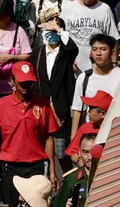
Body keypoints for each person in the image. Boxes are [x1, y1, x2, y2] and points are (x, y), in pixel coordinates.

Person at [0, 62, 60, 207]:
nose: (26, 85)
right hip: (10, 168)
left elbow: (49, 138)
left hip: (36, 167)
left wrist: (53, 171)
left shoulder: (43, 105)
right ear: (12, 80)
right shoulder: (0, 105)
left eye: (29, 81)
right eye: (22, 81)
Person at [30, 11, 79, 159]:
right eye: (48, 29)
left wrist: (58, 29)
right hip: (41, 107)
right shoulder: (38, 53)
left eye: (54, 30)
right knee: (40, 149)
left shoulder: (65, 53)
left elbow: (73, 48)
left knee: (60, 152)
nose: (50, 33)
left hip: (60, 108)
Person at [69, 34, 120, 140]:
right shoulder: (84, 78)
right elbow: (77, 109)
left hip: (115, 132)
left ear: (112, 52)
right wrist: (74, 139)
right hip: (91, 135)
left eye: (103, 49)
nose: (98, 53)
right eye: (94, 49)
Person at [63, 0, 119, 71]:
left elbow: (114, 38)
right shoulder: (69, 8)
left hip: (97, 67)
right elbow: (61, 35)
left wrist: (114, 62)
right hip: (73, 65)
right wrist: (67, 57)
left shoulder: (104, 9)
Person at [52, 135, 94, 207]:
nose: (90, 157)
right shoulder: (72, 179)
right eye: (85, 152)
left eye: (93, 152)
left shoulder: (108, 174)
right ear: (79, 153)